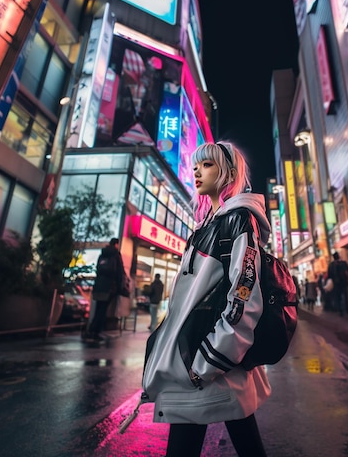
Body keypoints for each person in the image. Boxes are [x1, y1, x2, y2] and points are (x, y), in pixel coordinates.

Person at [141, 141, 269, 457]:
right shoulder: (206, 225)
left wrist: (210, 359)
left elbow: (244, 292)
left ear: (228, 173)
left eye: (207, 165)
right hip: (202, 360)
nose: (197, 171)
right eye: (196, 165)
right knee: (243, 436)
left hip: (208, 360)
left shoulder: (238, 219)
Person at [85, 238, 125, 344]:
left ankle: (92, 330)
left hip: (99, 286)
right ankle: (95, 331)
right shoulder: (116, 255)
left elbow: (98, 269)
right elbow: (120, 272)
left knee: (98, 309)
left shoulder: (102, 254)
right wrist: (120, 287)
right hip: (110, 287)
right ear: (116, 244)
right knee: (102, 311)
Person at [328, 251, 348, 317]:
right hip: (344, 282)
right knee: (346, 296)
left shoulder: (331, 265)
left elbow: (329, 275)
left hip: (336, 283)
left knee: (338, 297)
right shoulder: (343, 263)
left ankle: (341, 310)